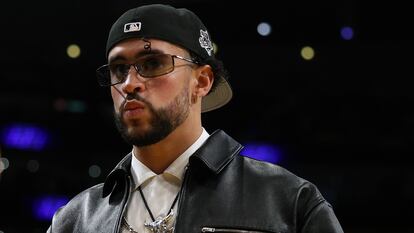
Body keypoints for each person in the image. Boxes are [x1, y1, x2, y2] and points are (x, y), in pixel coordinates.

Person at [48, 4, 344, 233]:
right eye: (119, 69)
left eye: (152, 63)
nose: (129, 83)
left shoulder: (288, 201)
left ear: (201, 82)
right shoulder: (75, 219)